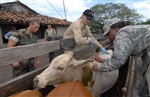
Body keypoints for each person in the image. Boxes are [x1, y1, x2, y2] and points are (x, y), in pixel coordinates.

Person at [91, 18, 150, 97]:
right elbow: (120, 57)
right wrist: (103, 60)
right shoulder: (128, 31)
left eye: (108, 34)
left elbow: (118, 61)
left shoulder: (122, 35)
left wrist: (98, 67)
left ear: (115, 29)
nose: (108, 38)